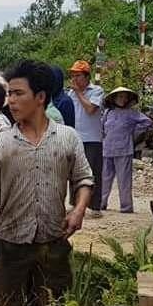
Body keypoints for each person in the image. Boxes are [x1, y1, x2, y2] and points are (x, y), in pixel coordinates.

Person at [0, 60, 93, 306]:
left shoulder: (67, 138)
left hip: (53, 243)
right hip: (11, 245)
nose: (10, 100)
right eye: (9, 93)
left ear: (41, 98)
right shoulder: (1, 142)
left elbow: (83, 179)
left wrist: (78, 210)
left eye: (18, 93)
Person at [100, 87, 152, 213]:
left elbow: (147, 122)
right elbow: (101, 129)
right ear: (114, 98)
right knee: (105, 179)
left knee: (124, 181)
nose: (123, 99)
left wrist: (133, 132)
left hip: (124, 150)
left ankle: (126, 207)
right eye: (120, 97)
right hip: (107, 149)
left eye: (125, 97)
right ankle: (101, 203)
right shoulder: (108, 113)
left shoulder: (132, 113)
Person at [66, 60, 105, 217]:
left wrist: (79, 94)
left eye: (78, 75)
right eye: (73, 75)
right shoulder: (70, 94)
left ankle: (95, 207)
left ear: (87, 76)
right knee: (73, 172)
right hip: (75, 138)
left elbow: (90, 109)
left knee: (93, 172)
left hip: (92, 138)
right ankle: (75, 204)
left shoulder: (97, 91)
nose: (75, 79)